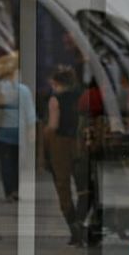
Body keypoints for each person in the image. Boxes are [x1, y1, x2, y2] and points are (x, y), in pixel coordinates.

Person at [44, 64, 85, 245]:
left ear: (55, 83)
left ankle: (73, 225)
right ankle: (82, 220)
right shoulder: (80, 97)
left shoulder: (55, 100)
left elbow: (53, 125)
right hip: (79, 142)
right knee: (82, 185)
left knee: (63, 185)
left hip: (60, 144)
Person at [0, 52, 36, 202]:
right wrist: (32, 131)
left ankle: (9, 191)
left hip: (3, 131)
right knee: (18, 162)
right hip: (20, 131)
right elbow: (30, 112)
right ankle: (16, 189)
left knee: (6, 163)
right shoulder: (23, 90)